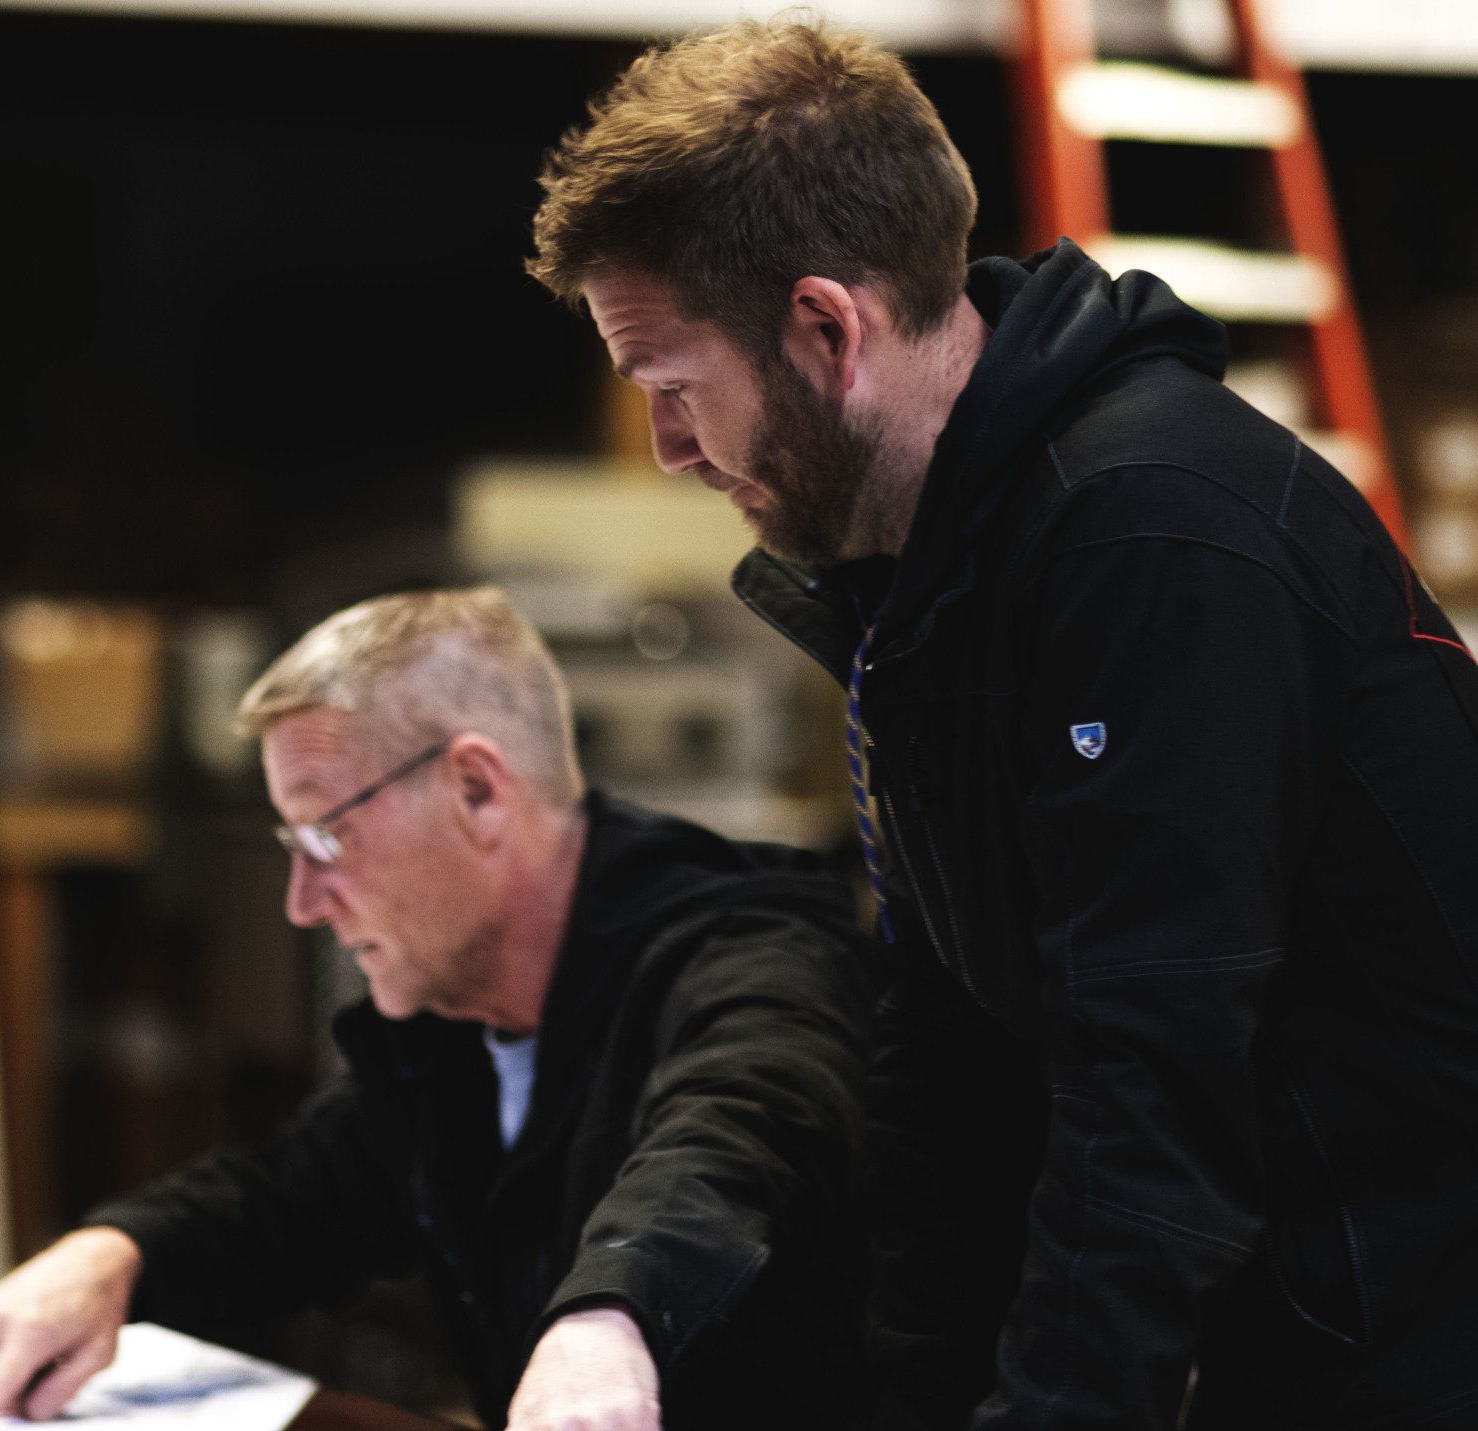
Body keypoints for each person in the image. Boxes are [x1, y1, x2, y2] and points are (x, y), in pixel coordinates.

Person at [528, 17, 1478, 1430]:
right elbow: (951, 1049)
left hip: (1403, 1338)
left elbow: (1146, 1086)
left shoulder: (1151, 539)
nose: (670, 450)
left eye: (673, 387)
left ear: (826, 329)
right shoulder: (928, 568)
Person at [0, 587, 871, 1431]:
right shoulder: (453, 1026)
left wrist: (611, 1315)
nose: (302, 902)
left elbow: (744, 1122)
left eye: (325, 836)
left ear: (476, 788)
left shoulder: (750, 951)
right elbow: (292, 1197)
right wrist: (113, 1254)